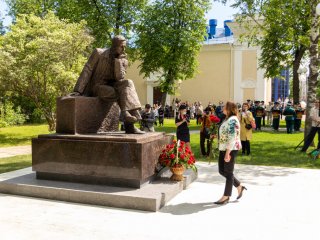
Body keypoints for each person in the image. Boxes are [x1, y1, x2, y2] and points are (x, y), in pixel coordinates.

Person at [69, 35, 144, 134]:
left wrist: (118, 62)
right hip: (97, 86)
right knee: (114, 92)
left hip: (113, 85)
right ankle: (128, 121)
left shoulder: (123, 60)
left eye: (125, 47)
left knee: (128, 83)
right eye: (121, 46)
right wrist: (78, 90)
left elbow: (119, 78)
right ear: (114, 46)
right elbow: (87, 70)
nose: (124, 49)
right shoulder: (99, 53)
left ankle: (128, 116)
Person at [214, 101, 246, 205]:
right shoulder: (227, 119)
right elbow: (226, 132)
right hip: (224, 147)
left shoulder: (233, 120)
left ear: (229, 109)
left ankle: (226, 196)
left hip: (230, 148)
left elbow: (232, 137)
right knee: (222, 171)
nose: (222, 108)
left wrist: (228, 153)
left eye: (224, 107)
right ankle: (239, 186)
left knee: (228, 172)